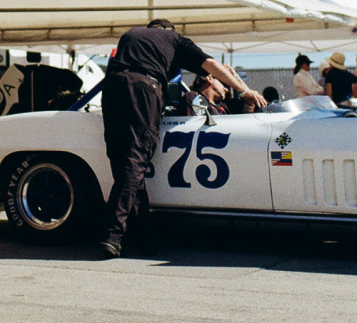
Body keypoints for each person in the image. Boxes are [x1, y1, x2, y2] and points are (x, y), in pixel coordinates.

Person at [98, 18, 266, 258]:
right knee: (136, 160)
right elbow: (210, 64)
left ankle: (143, 236)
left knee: (122, 159)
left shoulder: (130, 34)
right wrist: (243, 90)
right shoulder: (175, 39)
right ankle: (111, 235)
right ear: (168, 30)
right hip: (144, 88)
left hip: (112, 87)